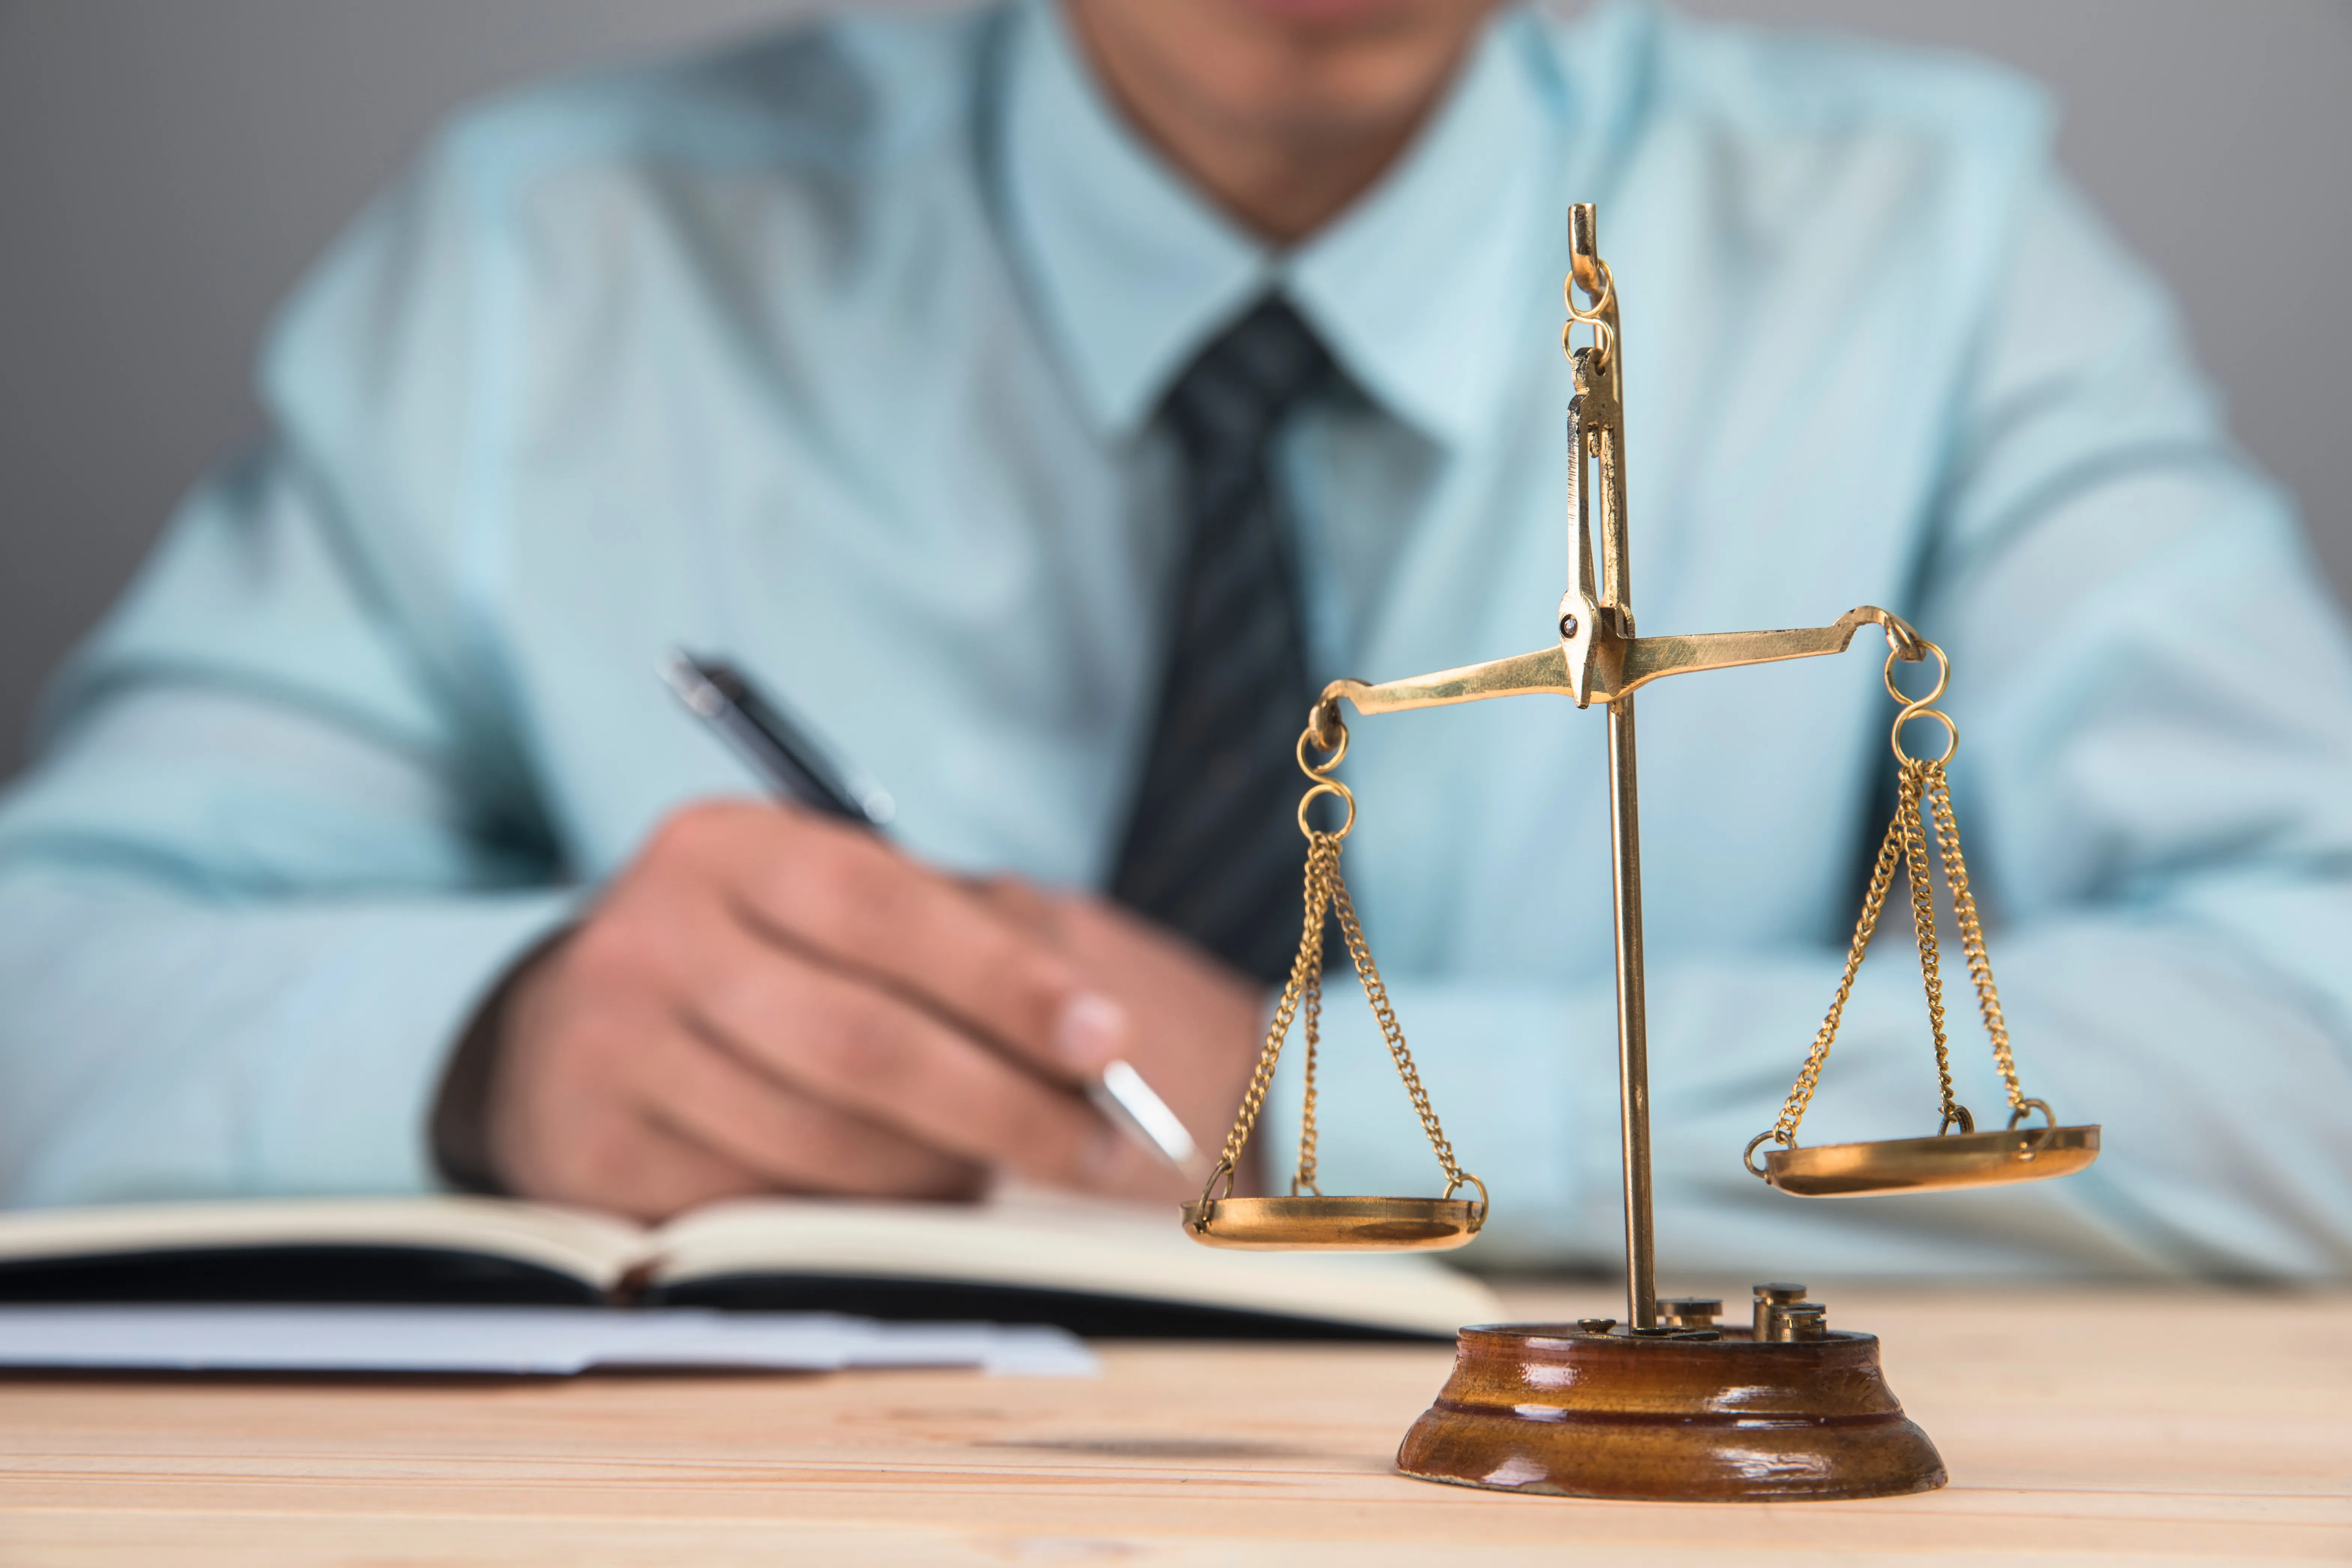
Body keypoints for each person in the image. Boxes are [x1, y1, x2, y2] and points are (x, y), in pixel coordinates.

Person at [0, 0, 2345, 1280]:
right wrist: (491, 1050)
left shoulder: (1932, 242)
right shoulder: (555, 264)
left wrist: (1329, 1112)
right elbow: (49, 979)